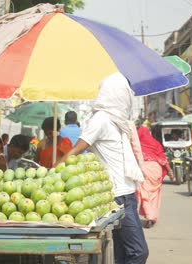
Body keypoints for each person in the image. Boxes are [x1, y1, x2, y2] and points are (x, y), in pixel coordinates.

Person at [56, 73, 148, 264]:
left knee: (122, 254)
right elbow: (77, 149)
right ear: (115, 95)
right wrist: (52, 171)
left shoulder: (119, 122)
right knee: (138, 252)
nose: (128, 100)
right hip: (116, 197)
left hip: (128, 194)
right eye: (125, 95)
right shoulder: (101, 120)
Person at [136, 126, 173, 228]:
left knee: (144, 194)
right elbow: (163, 159)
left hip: (145, 169)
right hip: (156, 170)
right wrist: (170, 171)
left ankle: (150, 217)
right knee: (154, 195)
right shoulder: (156, 144)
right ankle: (152, 216)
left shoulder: (137, 145)